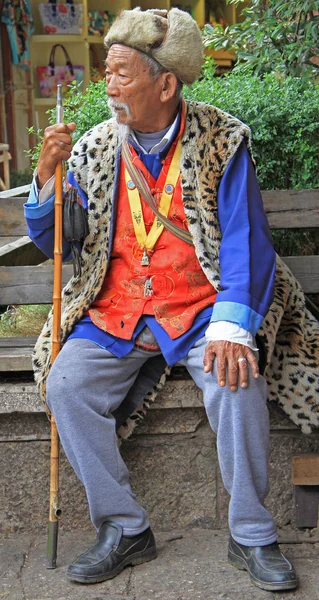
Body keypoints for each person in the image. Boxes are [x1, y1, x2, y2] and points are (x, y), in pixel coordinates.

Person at [24, 7, 306, 592]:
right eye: (108, 71)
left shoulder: (221, 140)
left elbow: (245, 240)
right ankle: (125, 527)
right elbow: (60, 237)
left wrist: (232, 325)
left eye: (122, 73)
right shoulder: (98, 144)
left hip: (201, 311)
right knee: (65, 385)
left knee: (237, 379)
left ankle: (252, 532)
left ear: (166, 84)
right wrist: (48, 178)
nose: (108, 83)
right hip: (119, 310)